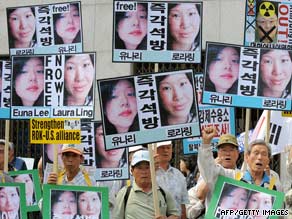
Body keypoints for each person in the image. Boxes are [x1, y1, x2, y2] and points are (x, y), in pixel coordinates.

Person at [198, 127, 282, 198]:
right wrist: (206, 144)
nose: (259, 157)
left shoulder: (274, 184)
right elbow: (209, 171)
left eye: (264, 154)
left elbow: (280, 211)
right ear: (247, 157)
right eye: (256, 153)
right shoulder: (232, 177)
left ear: (268, 160)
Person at [186, 133, 240, 219]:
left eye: (231, 150)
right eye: (223, 150)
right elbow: (200, 194)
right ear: (218, 153)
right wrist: (206, 143)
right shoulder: (211, 172)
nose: (227, 154)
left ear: (237, 153)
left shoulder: (242, 174)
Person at [113, 150, 179, 219]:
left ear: (153, 169)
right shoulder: (124, 193)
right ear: (132, 171)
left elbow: (175, 215)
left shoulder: (163, 193)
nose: (144, 172)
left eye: (147, 167)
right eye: (139, 168)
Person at [155, 141, 189, 219]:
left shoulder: (179, 175)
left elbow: (183, 205)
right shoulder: (148, 174)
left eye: (168, 147)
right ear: (154, 150)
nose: (166, 150)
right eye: (162, 147)